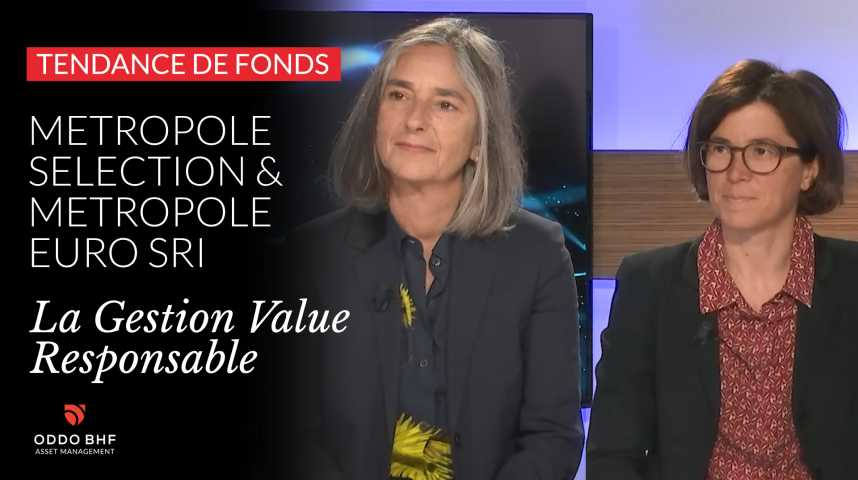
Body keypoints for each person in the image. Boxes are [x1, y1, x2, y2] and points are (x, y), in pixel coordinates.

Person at [290, 17, 583, 480]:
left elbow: (552, 437)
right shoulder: (310, 256)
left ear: (480, 141)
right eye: (398, 95)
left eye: (444, 104)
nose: (414, 120)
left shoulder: (537, 255)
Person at [587, 59, 858, 479]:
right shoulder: (649, 285)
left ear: (809, 169)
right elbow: (612, 455)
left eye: (761, 151)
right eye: (720, 149)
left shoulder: (850, 282)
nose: (735, 172)